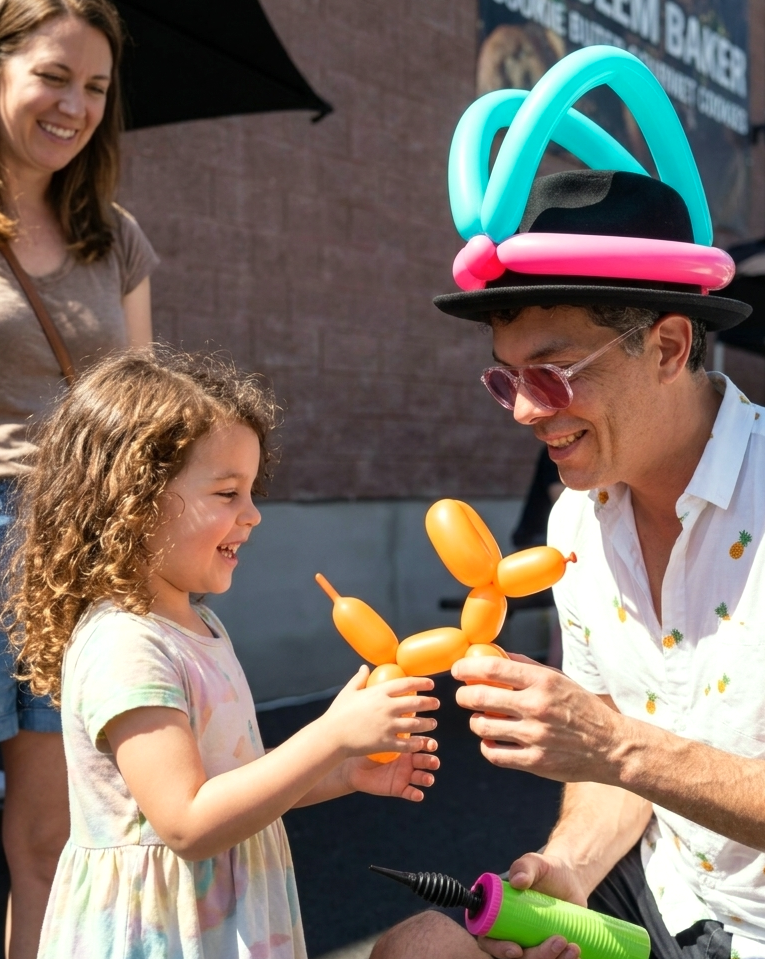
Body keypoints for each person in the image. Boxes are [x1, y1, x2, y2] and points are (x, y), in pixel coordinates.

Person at [373, 72, 765, 959]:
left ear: (666, 346)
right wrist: (568, 866)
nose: (522, 410)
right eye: (505, 378)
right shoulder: (575, 522)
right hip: (664, 900)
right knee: (419, 947)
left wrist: (616, 746)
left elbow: (617, 750)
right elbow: (607, 769)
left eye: (550, 375)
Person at [2, 347, 440, 958]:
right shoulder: (127, 643)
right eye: (228, 492)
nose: (253, 514)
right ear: (134, 500)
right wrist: (330, 735)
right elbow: (187, 822)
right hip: (158, 937)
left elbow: (231, 786)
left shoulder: (198, 625)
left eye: (252, 491)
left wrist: (341, 770)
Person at [0, 0, 157, 955]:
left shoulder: (116, 236)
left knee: (51, 838)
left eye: (95, 87)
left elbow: (142, 409)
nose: (75, 106)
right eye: (53, 75)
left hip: (70, 549)